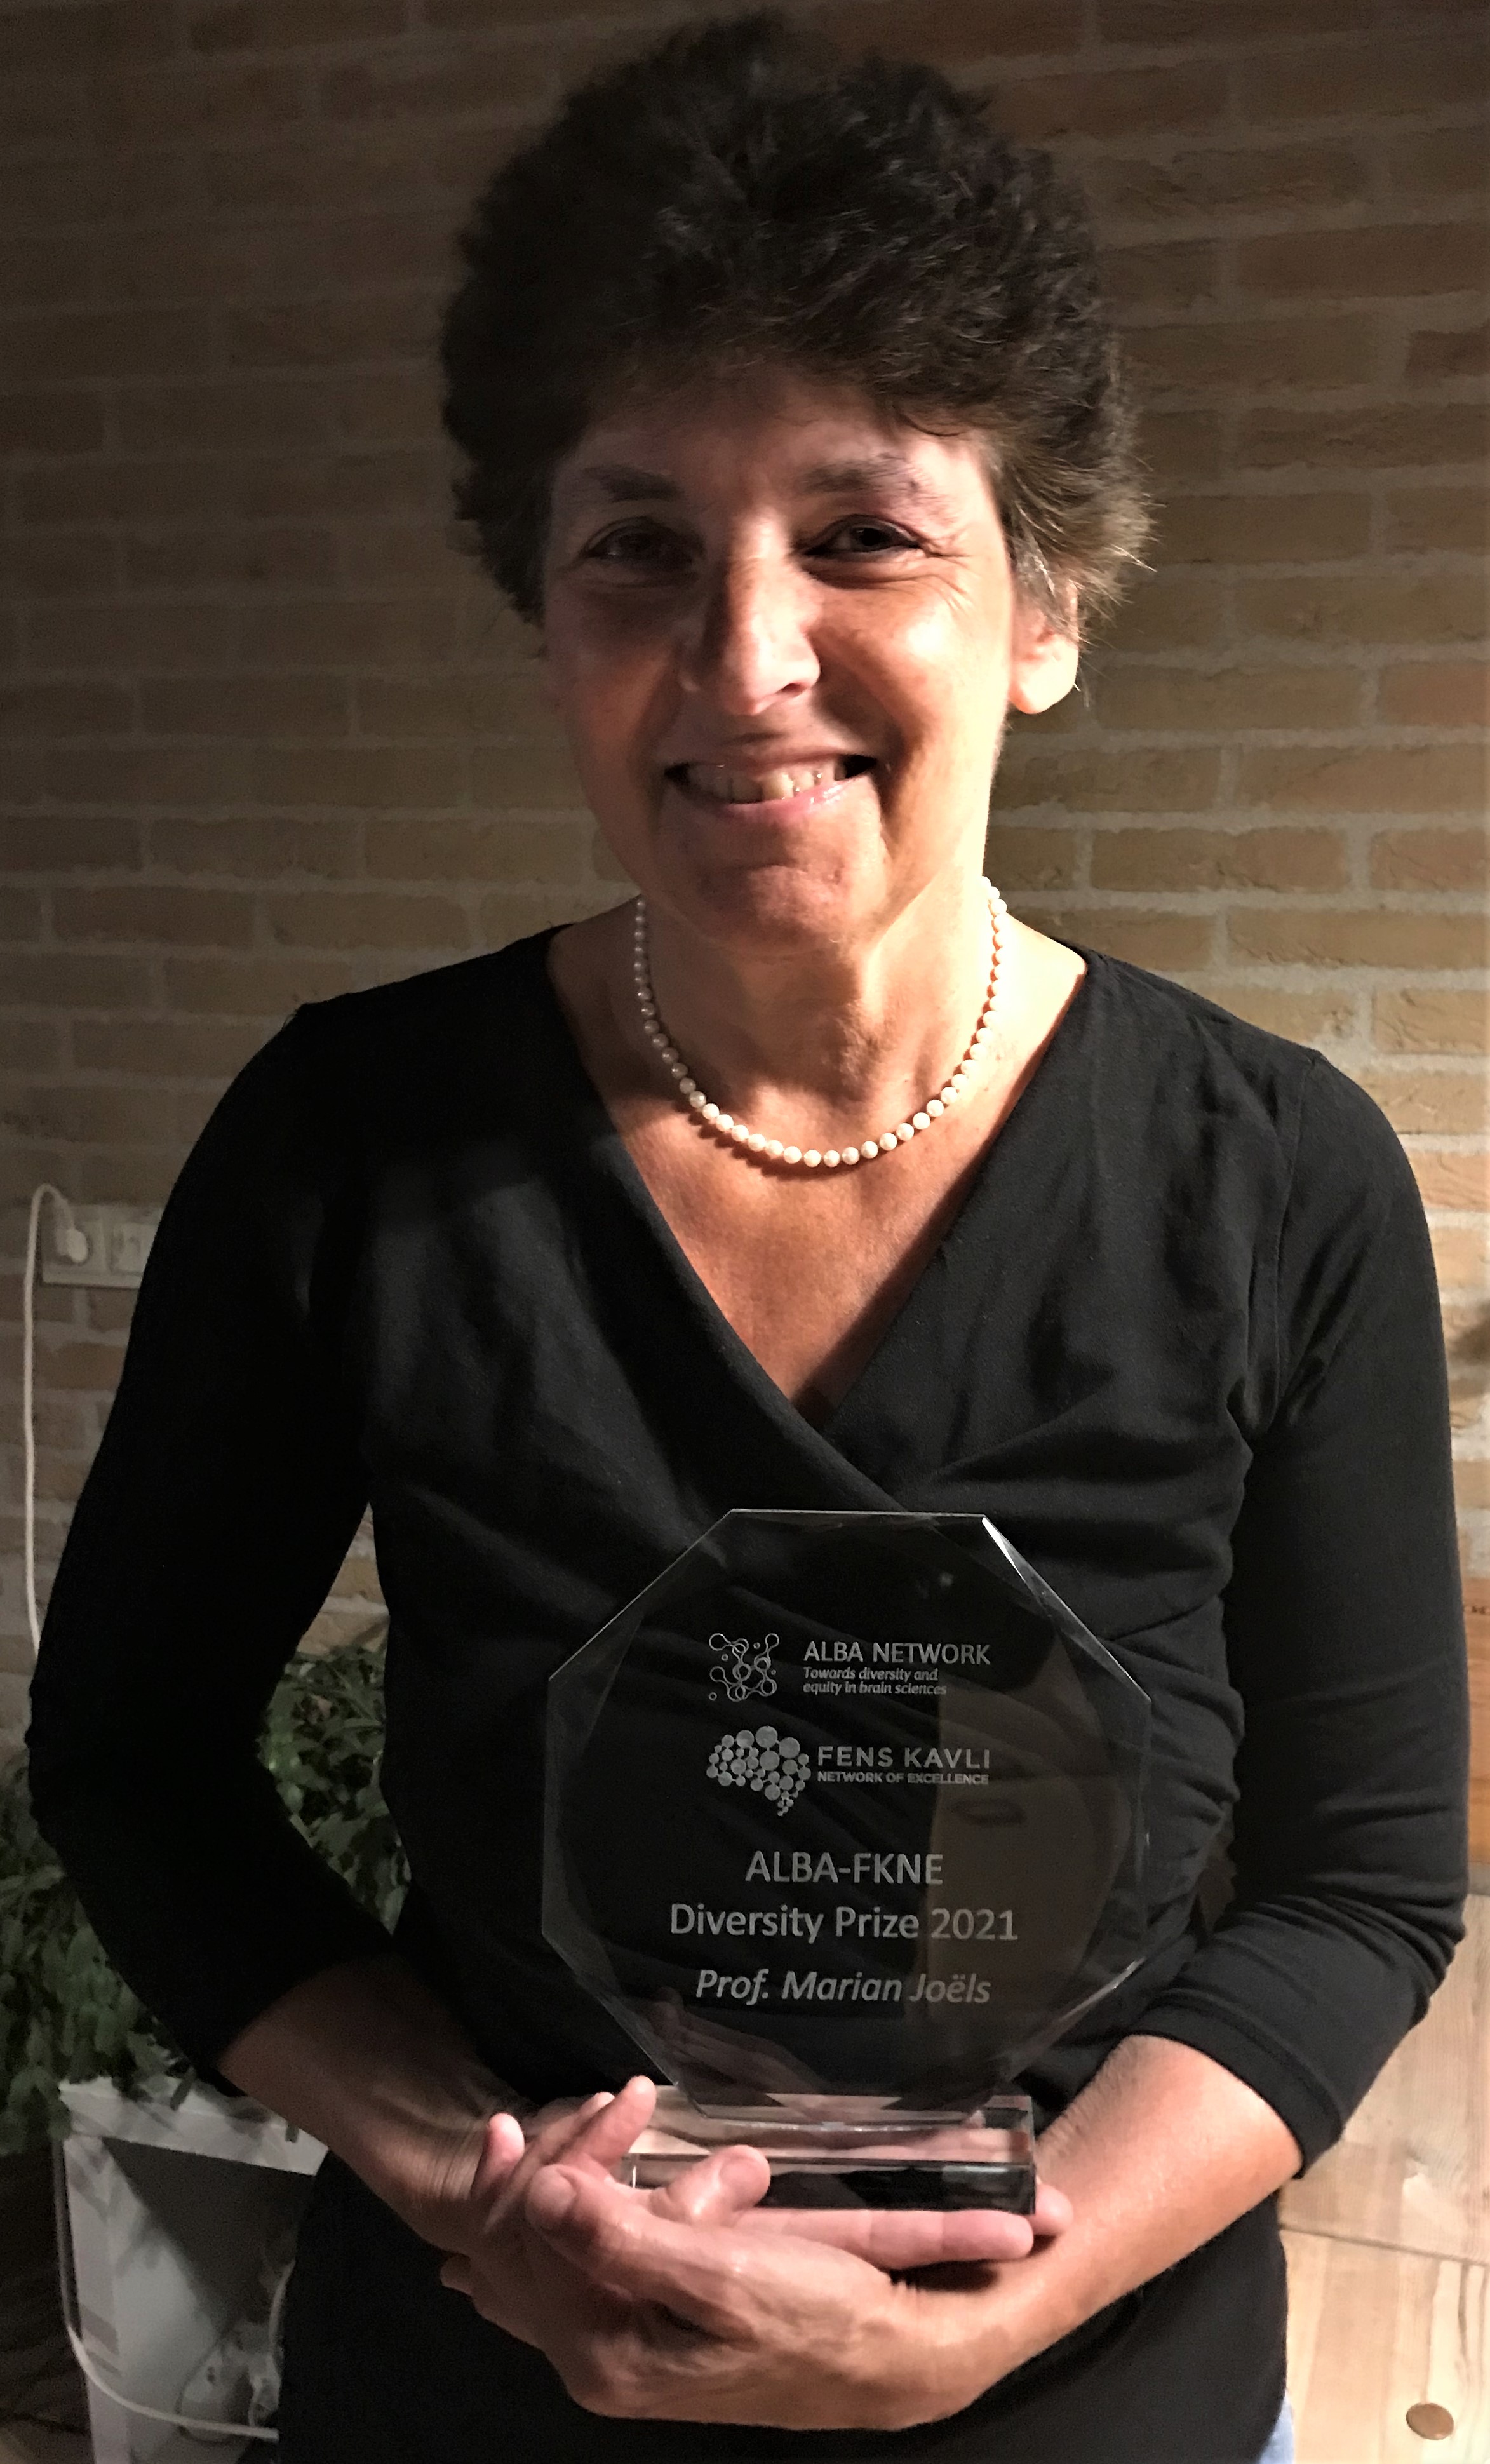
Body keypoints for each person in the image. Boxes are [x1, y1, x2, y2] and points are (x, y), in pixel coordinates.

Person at [27, 17, 1468, 2463]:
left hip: (1076, 2382)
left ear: (1051, 601)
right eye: (638, 548)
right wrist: (473, 2191)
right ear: (546, 612)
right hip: (501, 2370)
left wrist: (992, 2325)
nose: (745, 657)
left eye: (865, 530)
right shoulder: (352, 1145)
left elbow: (1355, 1890)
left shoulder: (1275, 1177)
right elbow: (139, 1761)